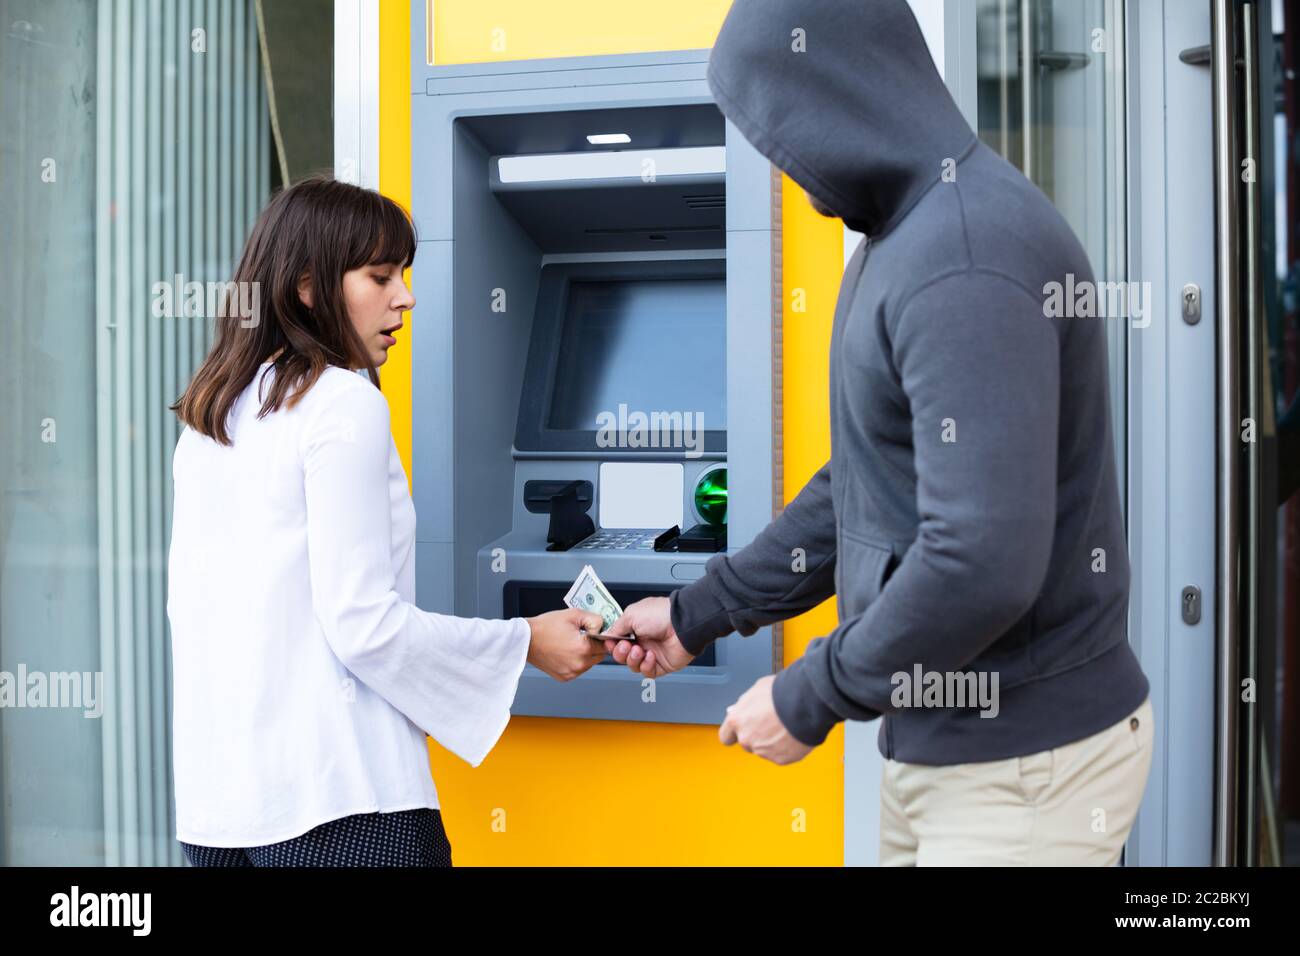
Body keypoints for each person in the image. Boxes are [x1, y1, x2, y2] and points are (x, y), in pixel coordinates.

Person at [604, 0, 1153, 866]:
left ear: (838, 90)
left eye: (781, 130)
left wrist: (809, 693)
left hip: (1019, 771)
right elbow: (863, 485)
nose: (783, 165)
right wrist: (698, 612)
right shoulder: (903, 239)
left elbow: (979, 559)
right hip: (948, 749)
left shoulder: (962, 256)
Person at [167, 175, 606, 867]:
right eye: (379, 275)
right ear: (308, 285)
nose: (404, 295)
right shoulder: (342, 402)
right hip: (346, 805)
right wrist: (525, 642)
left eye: (402, 272)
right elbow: (361, 624)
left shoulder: (213, 416)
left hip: (221, 815)